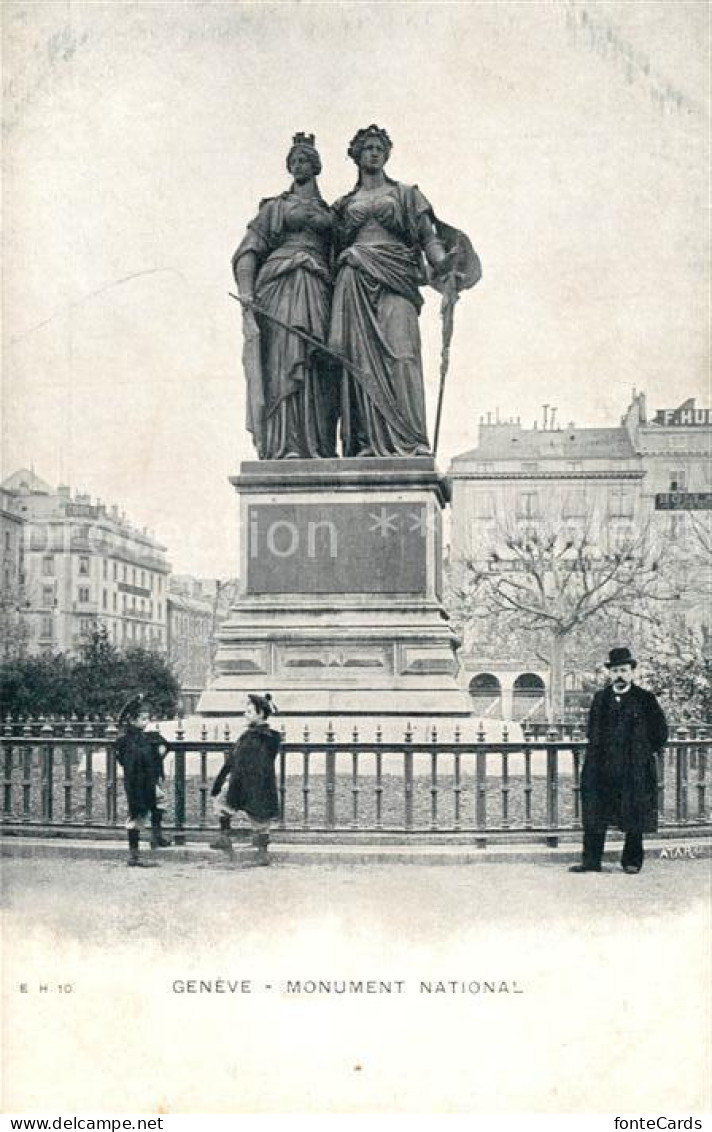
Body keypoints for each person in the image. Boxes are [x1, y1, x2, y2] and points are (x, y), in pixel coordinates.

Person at [329, 124, 480, 457]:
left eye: (379, 147)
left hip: (397, 277)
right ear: (355, 155)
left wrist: (444, 266)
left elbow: (429, 239)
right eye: (367, 147)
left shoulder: (407, 194)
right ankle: (367, 442)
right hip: (354, 279)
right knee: (360, 363)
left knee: (403, 356)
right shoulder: (342, 204)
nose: (374, 152)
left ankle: (410, 440)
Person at [232, 132, 337, 459]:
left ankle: (316, 444)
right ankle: (284, 445)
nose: (299, 166)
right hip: (280, 287)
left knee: (315, 363)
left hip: (318, 287)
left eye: (305, 160)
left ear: (316, 166)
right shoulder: (275, 207)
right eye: (294, 161)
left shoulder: (332, 211)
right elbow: (248, 250)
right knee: (283, 360)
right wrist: (247, 292)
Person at [570, 647, 668, 875]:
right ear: (610, 674)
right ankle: (591, 861)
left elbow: (660, 733)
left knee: (634, 813)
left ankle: (632, 861)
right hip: (602, 767)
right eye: (615, 671)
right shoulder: (600, 699)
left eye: (624, 670)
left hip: (634, 768)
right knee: (595, 814)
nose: (620, 675)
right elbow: (592, 731)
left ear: (632, 672)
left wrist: (641, 753)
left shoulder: (645, 699)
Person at [210, 693, 281, 866]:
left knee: (260, 818)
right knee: (222, 802)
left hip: (258, 785)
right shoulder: (246, 736)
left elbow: (265, 760)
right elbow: (233, 759)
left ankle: (262, 853)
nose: (245, 714)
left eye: (249, 712)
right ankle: (224, 836)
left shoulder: (269, 737)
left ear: (261, 714)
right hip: (239, 782)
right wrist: (220, 781)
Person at [115, 694, 172, 867]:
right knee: (136, 816)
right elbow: (133, 762)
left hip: (147, 782)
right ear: (132, 720)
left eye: (147, 718)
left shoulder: (141, 737)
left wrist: (160, 747)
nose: (147, 722)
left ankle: (156, 835)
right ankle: (134, 855)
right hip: (138, 785)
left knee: (160, 801)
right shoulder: (128, 741)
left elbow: (156, 743)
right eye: (143, 719)